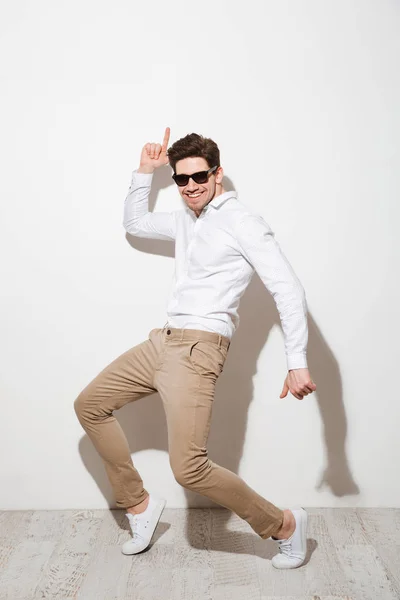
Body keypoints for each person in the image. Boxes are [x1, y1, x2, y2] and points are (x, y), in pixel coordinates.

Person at [74, 127, 317, 569]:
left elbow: (289, 291)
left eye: (199, 176)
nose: (190, 187)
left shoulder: (241, 221)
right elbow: (134, 224)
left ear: (218, 173)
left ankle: (284, 525)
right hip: (162, 341)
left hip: (198, 351)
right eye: (181, 179)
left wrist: (296, 362)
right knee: (90, 404)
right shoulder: (187, 217)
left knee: (189, 469)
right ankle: (139, 506)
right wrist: (144, 173)